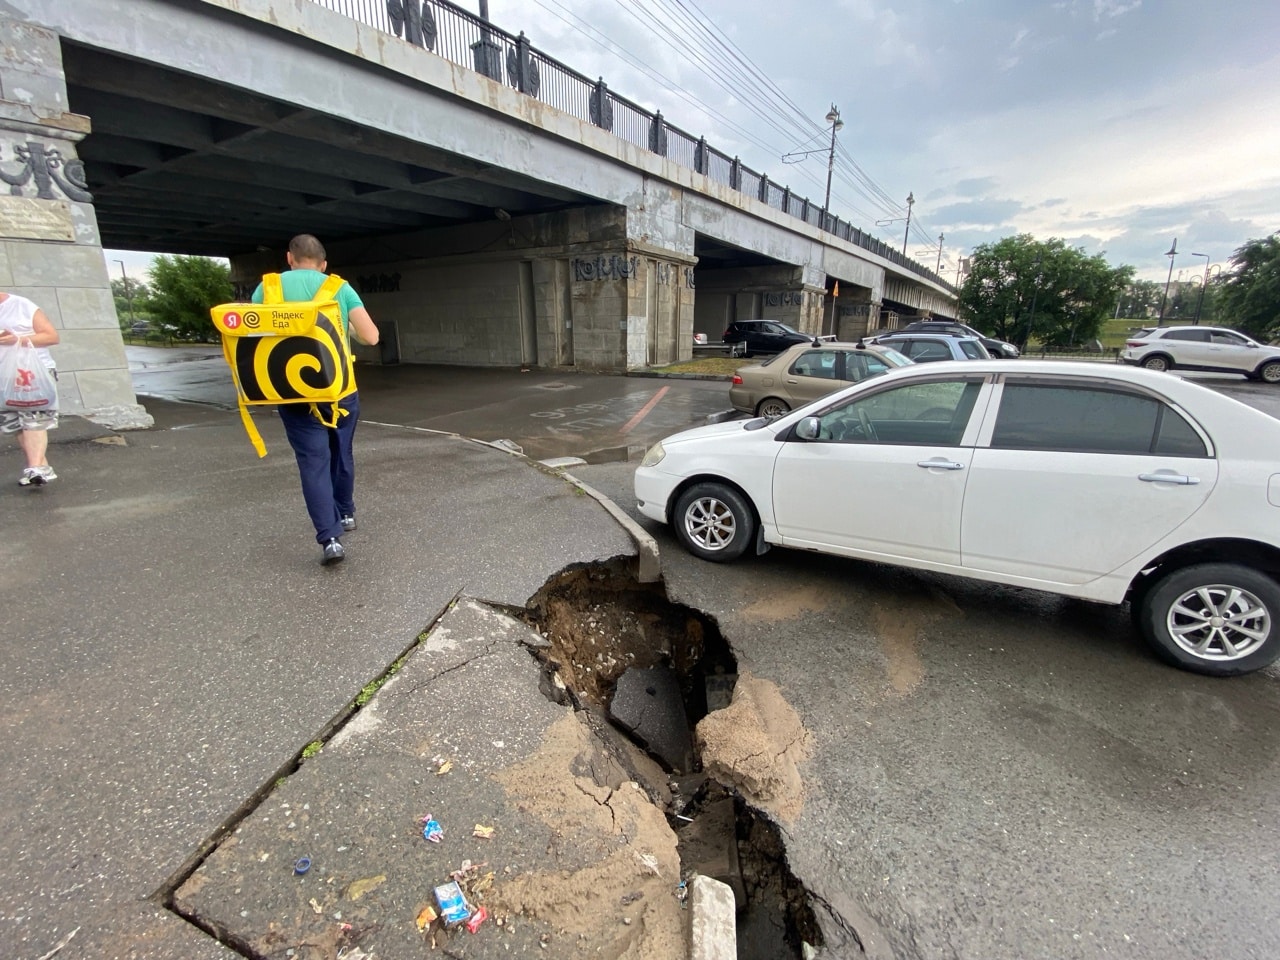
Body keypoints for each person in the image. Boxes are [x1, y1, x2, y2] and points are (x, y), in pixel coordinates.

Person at [251, 235, 379, 565]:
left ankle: (330, 539)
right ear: (323, 265)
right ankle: (346, 512)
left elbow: (254, 340)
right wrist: (346, 332)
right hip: (338, 390)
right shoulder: (338, 287)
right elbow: (371, 336)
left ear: (290, 259)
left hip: (291, 392)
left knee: (313, 461)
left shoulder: (267, 289)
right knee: (341, 451)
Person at [0, 292, 60, 486]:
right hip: (4, 375)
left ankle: (35, 468)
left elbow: (51, 336)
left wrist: (17, 339)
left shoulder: (21, 305)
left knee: (34, 419)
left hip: (33, 372)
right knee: (16, 424)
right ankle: (42, 468)